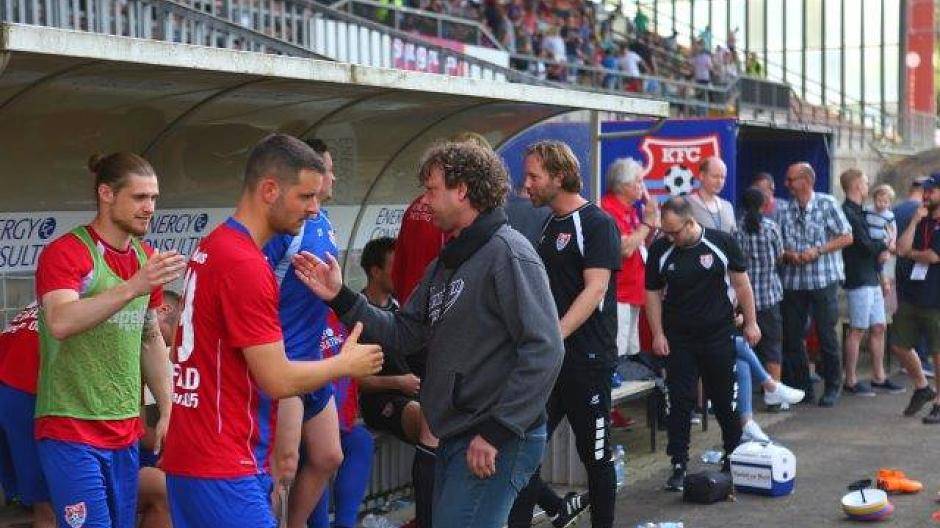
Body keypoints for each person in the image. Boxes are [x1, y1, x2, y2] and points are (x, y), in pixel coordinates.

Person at [293, 140, 563, 528]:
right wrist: (340, 296)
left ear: (462, 190)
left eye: (432, 190)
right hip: (456, 432)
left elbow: (546, 349)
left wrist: (496, 432)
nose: (425, 201)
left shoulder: (508, 253)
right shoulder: (446, 262)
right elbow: (404, 332)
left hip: (493, 438)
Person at [160, 133, 383, 528]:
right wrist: (345, 364)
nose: (314, 208)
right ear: (269, 190)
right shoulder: (245, 264)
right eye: (305, 196)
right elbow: (277, 379)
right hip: (222, 463)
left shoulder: (216, 244)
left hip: (200, 456)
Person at [34, 152, 186, 528]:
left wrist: (169, 408)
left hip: (124, 430)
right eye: (139, 197)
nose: (150, 208)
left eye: (154, 198)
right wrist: (134, 285)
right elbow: (60, 321)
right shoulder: (67, 251)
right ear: (106, 194)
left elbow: (150, 338)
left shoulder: (145, 257)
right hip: (70, 426)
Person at [509, 140, 621, 528]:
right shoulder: (549, 225)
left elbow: (596, 289)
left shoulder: (596, 222)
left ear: (559, 177)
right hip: (548, 361)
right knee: (524, 451)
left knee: (596, 455)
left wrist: (555, 335)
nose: (526, 185)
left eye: (533, 176)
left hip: (586, 361)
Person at [645, 197, 761, 491]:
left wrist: (751, 322)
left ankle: (731, 454)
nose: (669, 237)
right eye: (665, 231)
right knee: (680, 401)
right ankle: (678, 464)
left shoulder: (721, 243)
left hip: (718, 334)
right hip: (679, 338)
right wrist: (657, 333)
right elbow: (652, 294)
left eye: (674, 231)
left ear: (690, 222)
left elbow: (742, 284)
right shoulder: (661, 250)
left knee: (723, 398)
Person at [263, 137, 347, 528]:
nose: (332, 178)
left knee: (329, 455)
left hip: (314, 359)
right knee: (284, 464)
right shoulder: (284, 229)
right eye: (327, 170)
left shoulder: (323, 221)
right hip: (286, 362)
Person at [357, 237, 438, 528]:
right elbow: (352, 379)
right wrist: (399, 382)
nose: (403, 270)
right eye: (396, 265)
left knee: (450, 423)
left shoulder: (402, 309)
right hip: (381, 399)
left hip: (412, 392)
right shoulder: (356, 314)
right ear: (375, 271)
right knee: (431, 427)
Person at [778, 162, 853, 407]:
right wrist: (789, 255)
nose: (787, 184)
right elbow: (777, 246)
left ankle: (832, 386)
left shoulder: (827, 203)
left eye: (791, 180)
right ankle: (803, 388)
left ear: (806, 181)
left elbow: (847, 236)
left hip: (823, 280)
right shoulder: (784, 209)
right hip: (794, 282)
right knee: (792, 336)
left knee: (826, 334)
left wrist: (818, 250)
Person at [735, 188, 804, 404]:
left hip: (743, 299)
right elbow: (780, 257)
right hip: (770, 295)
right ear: (764, 205)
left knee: (744, 347)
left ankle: (745, 397)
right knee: (773, 346)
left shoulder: (736, 230)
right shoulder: (771, 227)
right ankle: (774, 396)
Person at [839, 169, 902, 396]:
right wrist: (886, 247)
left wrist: (882, 272)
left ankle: (879, 376)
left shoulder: (861, 212)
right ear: (857, 186)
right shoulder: (849, 212)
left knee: (878, 326)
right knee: (858, 329)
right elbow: (864, 244)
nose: (868, 187)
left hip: (871, 275)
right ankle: (850, 379)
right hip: (858, 277)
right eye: (865, 183)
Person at [309, 312, 373, 528]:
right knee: (317, 453)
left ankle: (345, 524)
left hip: (337, 420)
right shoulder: (292, 314)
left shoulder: (339, 315)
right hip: (301, 422)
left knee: (361, 441)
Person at [0, 302, 54, 528]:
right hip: (25, 391)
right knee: (48, 506)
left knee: (34, 500)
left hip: (11, 382)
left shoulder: (44, 299)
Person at [892, 173, 940, 422]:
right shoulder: (920, 218)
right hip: (913, 293)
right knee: (899, 343)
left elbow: (933, 256)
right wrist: (913, 222)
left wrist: (912, 254)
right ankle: (922, 387)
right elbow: (901, 248)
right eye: (925, 191)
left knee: (937, 351)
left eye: (931, 191)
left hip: (936, 297)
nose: (926, 195)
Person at [600, 157, 656, 363]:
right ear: (622, 185)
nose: (642, 187)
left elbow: (640, 245)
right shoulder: (608, 208)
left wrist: (650, 226)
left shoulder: (631, 210)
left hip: (633, 290)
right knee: (617, 348)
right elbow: (624, 249)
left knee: (631, 349)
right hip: (618, 292)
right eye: (638, 181)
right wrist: (647, 224)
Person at [138, 290, 182, 528]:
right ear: (163, 310)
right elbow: (141, 433)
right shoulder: (136, 345)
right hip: (112, 456)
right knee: (168, 488)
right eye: (179, 329)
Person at [688, 156, 735, 233]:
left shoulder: (728, 206)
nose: (719, 181)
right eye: (715, 176)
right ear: (702, 176)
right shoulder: (687, 204)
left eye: (722, 177)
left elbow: (734, 235)